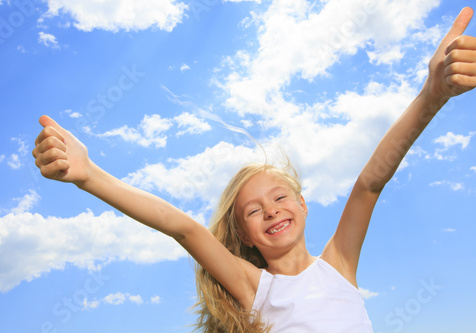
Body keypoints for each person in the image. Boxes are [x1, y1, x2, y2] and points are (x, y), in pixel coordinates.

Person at [32, 7, 476, 333]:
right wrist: (89, 175)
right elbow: (182, 228)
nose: (272, 211)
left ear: (302, 204)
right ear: (243, 235)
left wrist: (430, 96)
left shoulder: (338, 266)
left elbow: (370, 182)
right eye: (253, 211)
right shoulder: (255, 288)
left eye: (280, 197)